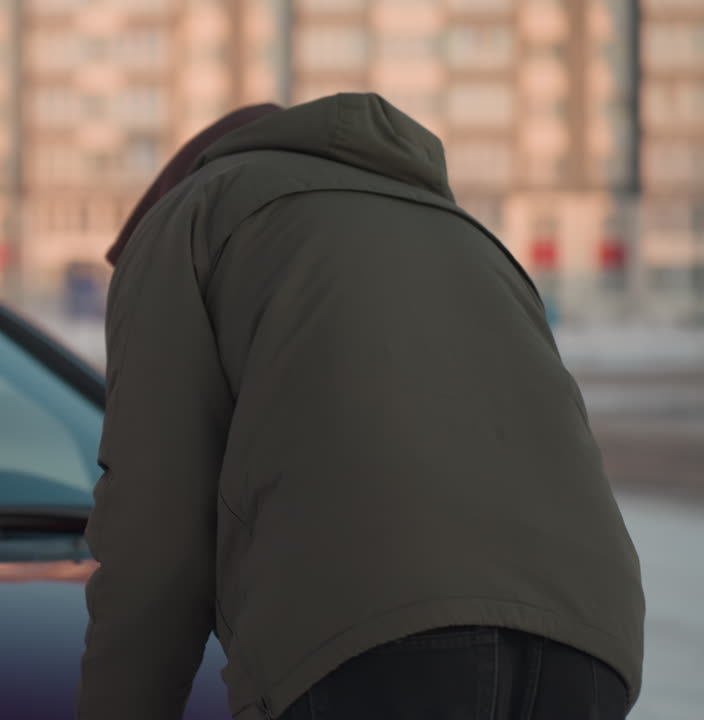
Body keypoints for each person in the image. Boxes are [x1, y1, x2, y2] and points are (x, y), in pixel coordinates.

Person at [75, 93, 644, 720]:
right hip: (589, 639)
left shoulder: (192, 213)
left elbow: (155, 518)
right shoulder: (463, 232)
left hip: (373, 640)